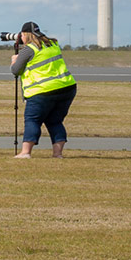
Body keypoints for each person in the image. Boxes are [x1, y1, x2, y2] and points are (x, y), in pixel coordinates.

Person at [11, 21, 77, 159]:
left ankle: (25, 152)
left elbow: (16, 70)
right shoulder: (53, 44)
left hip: (42, 90)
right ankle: (57, 154)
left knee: (32, 120)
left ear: (26, 35)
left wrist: (14, 60)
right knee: (55, 121)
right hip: (66, 87)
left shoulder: (29, 49)